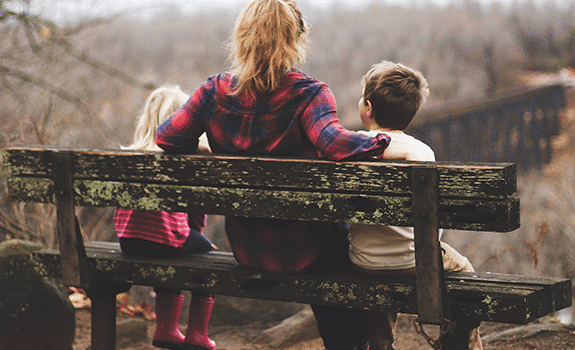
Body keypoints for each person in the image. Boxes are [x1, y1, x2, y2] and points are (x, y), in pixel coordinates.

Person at [155, 1, 392, 349]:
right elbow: (335, 143)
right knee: (344, 252)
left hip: (248, 248)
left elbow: (167, 137)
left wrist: (205, 148)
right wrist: (386, 140)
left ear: (242, 38)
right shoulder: (309, 94)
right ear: (296, 39)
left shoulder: (213, 92)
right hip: (310, 252)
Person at [348, 61, 483, 350]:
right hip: (415, 261)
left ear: (368, 107)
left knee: (380, 270)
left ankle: (380, 344)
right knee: (465, 269)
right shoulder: (420, 151)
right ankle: (460, 342)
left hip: (363, 261)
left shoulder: (350, 146)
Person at [114, 85, 216, 350]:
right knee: (207, 256)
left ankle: (166, 329)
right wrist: (198, 235)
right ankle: (197, 334)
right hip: (164, 240)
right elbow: (195, 212)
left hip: (128, 241)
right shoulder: (182, 158)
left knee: (173, 247)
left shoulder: (129, 155)